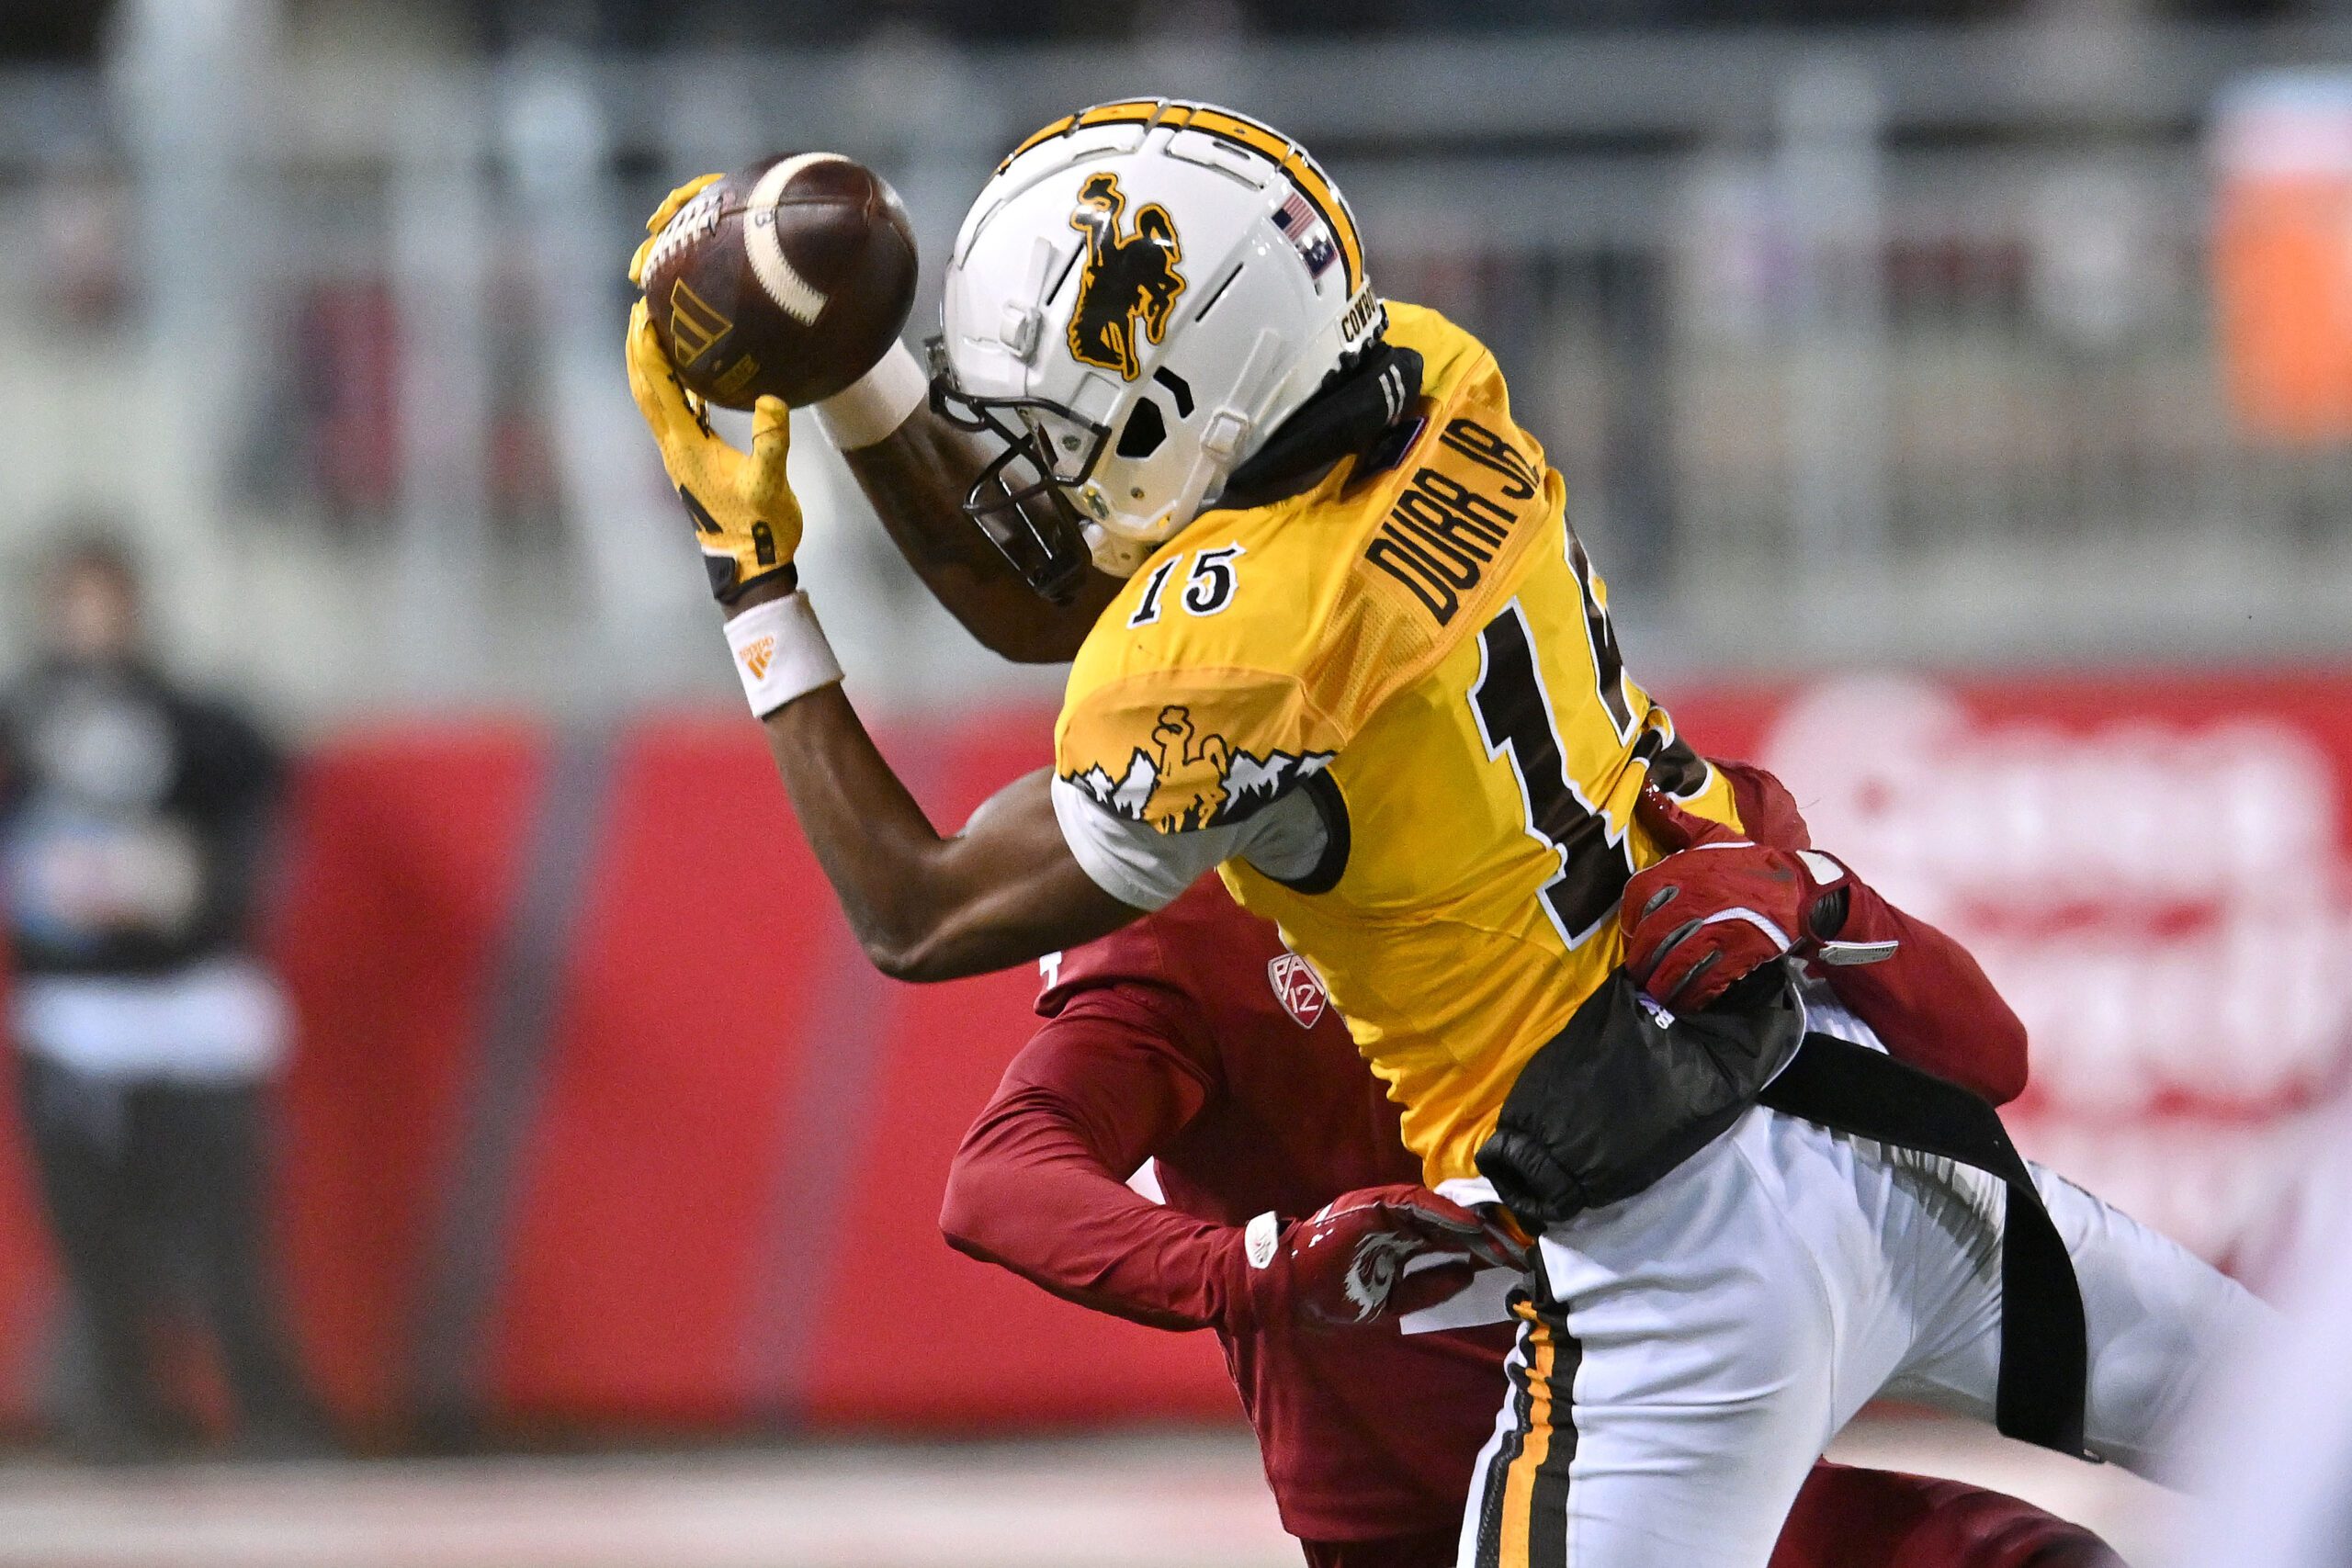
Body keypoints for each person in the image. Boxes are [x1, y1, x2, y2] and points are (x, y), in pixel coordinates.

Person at [623, 98, 2263, 1565]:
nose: (1041, 467)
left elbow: (914, 907)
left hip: (1674, 1267)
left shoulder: (1234, 655)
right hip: (1856, 1118)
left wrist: (750, 575)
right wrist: (857, 380)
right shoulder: (1429, 367)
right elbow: (1078, 581)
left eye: (1059, 428)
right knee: (2287, 1426)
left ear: (1175, 405)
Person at [942, 766, 2123, 1568]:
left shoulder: (1609, 795)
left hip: (1698, 1456)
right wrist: (1251, 1266)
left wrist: (1830, 903)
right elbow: (1001, 1176)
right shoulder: (1203, 923)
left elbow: (1985, 1056)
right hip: (1434, 1516)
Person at [0, 536, 314, 1459]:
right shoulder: (20, 725)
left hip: (189, 1000)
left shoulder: (199, 725)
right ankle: (119, 1411)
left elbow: (261, 803)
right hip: (75, 1011)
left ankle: (269, 1407)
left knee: (224, 1229)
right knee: (96, 1238)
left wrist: (206, 885)